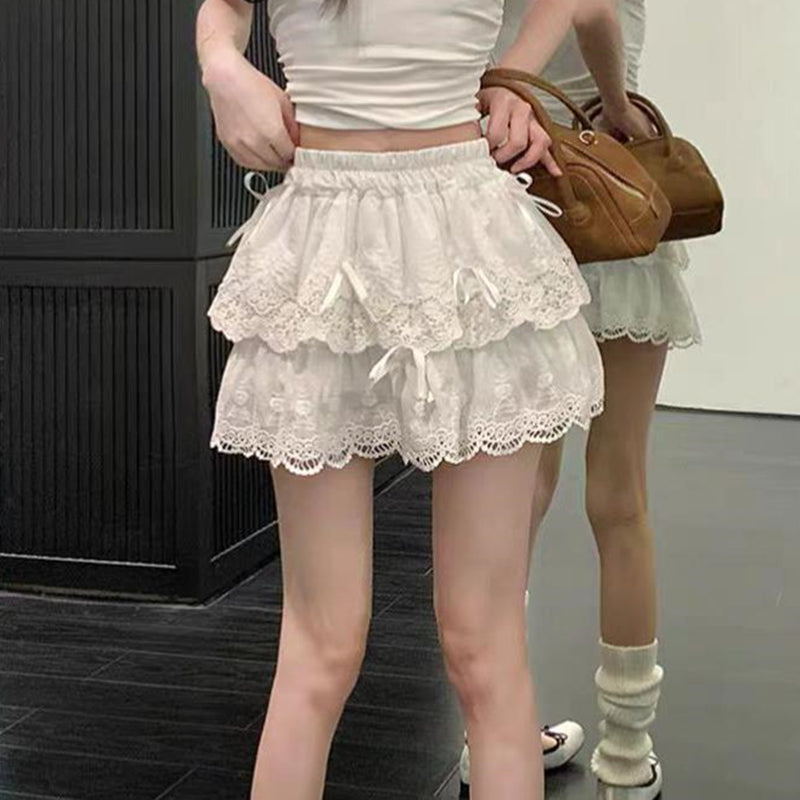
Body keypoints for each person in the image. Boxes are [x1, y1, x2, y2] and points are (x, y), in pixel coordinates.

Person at [196, 1, 604, 798]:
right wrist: (220, 65)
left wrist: (513, 74)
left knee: (484, 647)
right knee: (320, 648)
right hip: (321, 240)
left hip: (467, 239)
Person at [459, 1, 702, 798]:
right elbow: (594, 10)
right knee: (620, 493)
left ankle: (494, 738)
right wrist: (619, 104)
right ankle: (627, 758)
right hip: (610, 194)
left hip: (515, 205)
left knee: (510, 500)